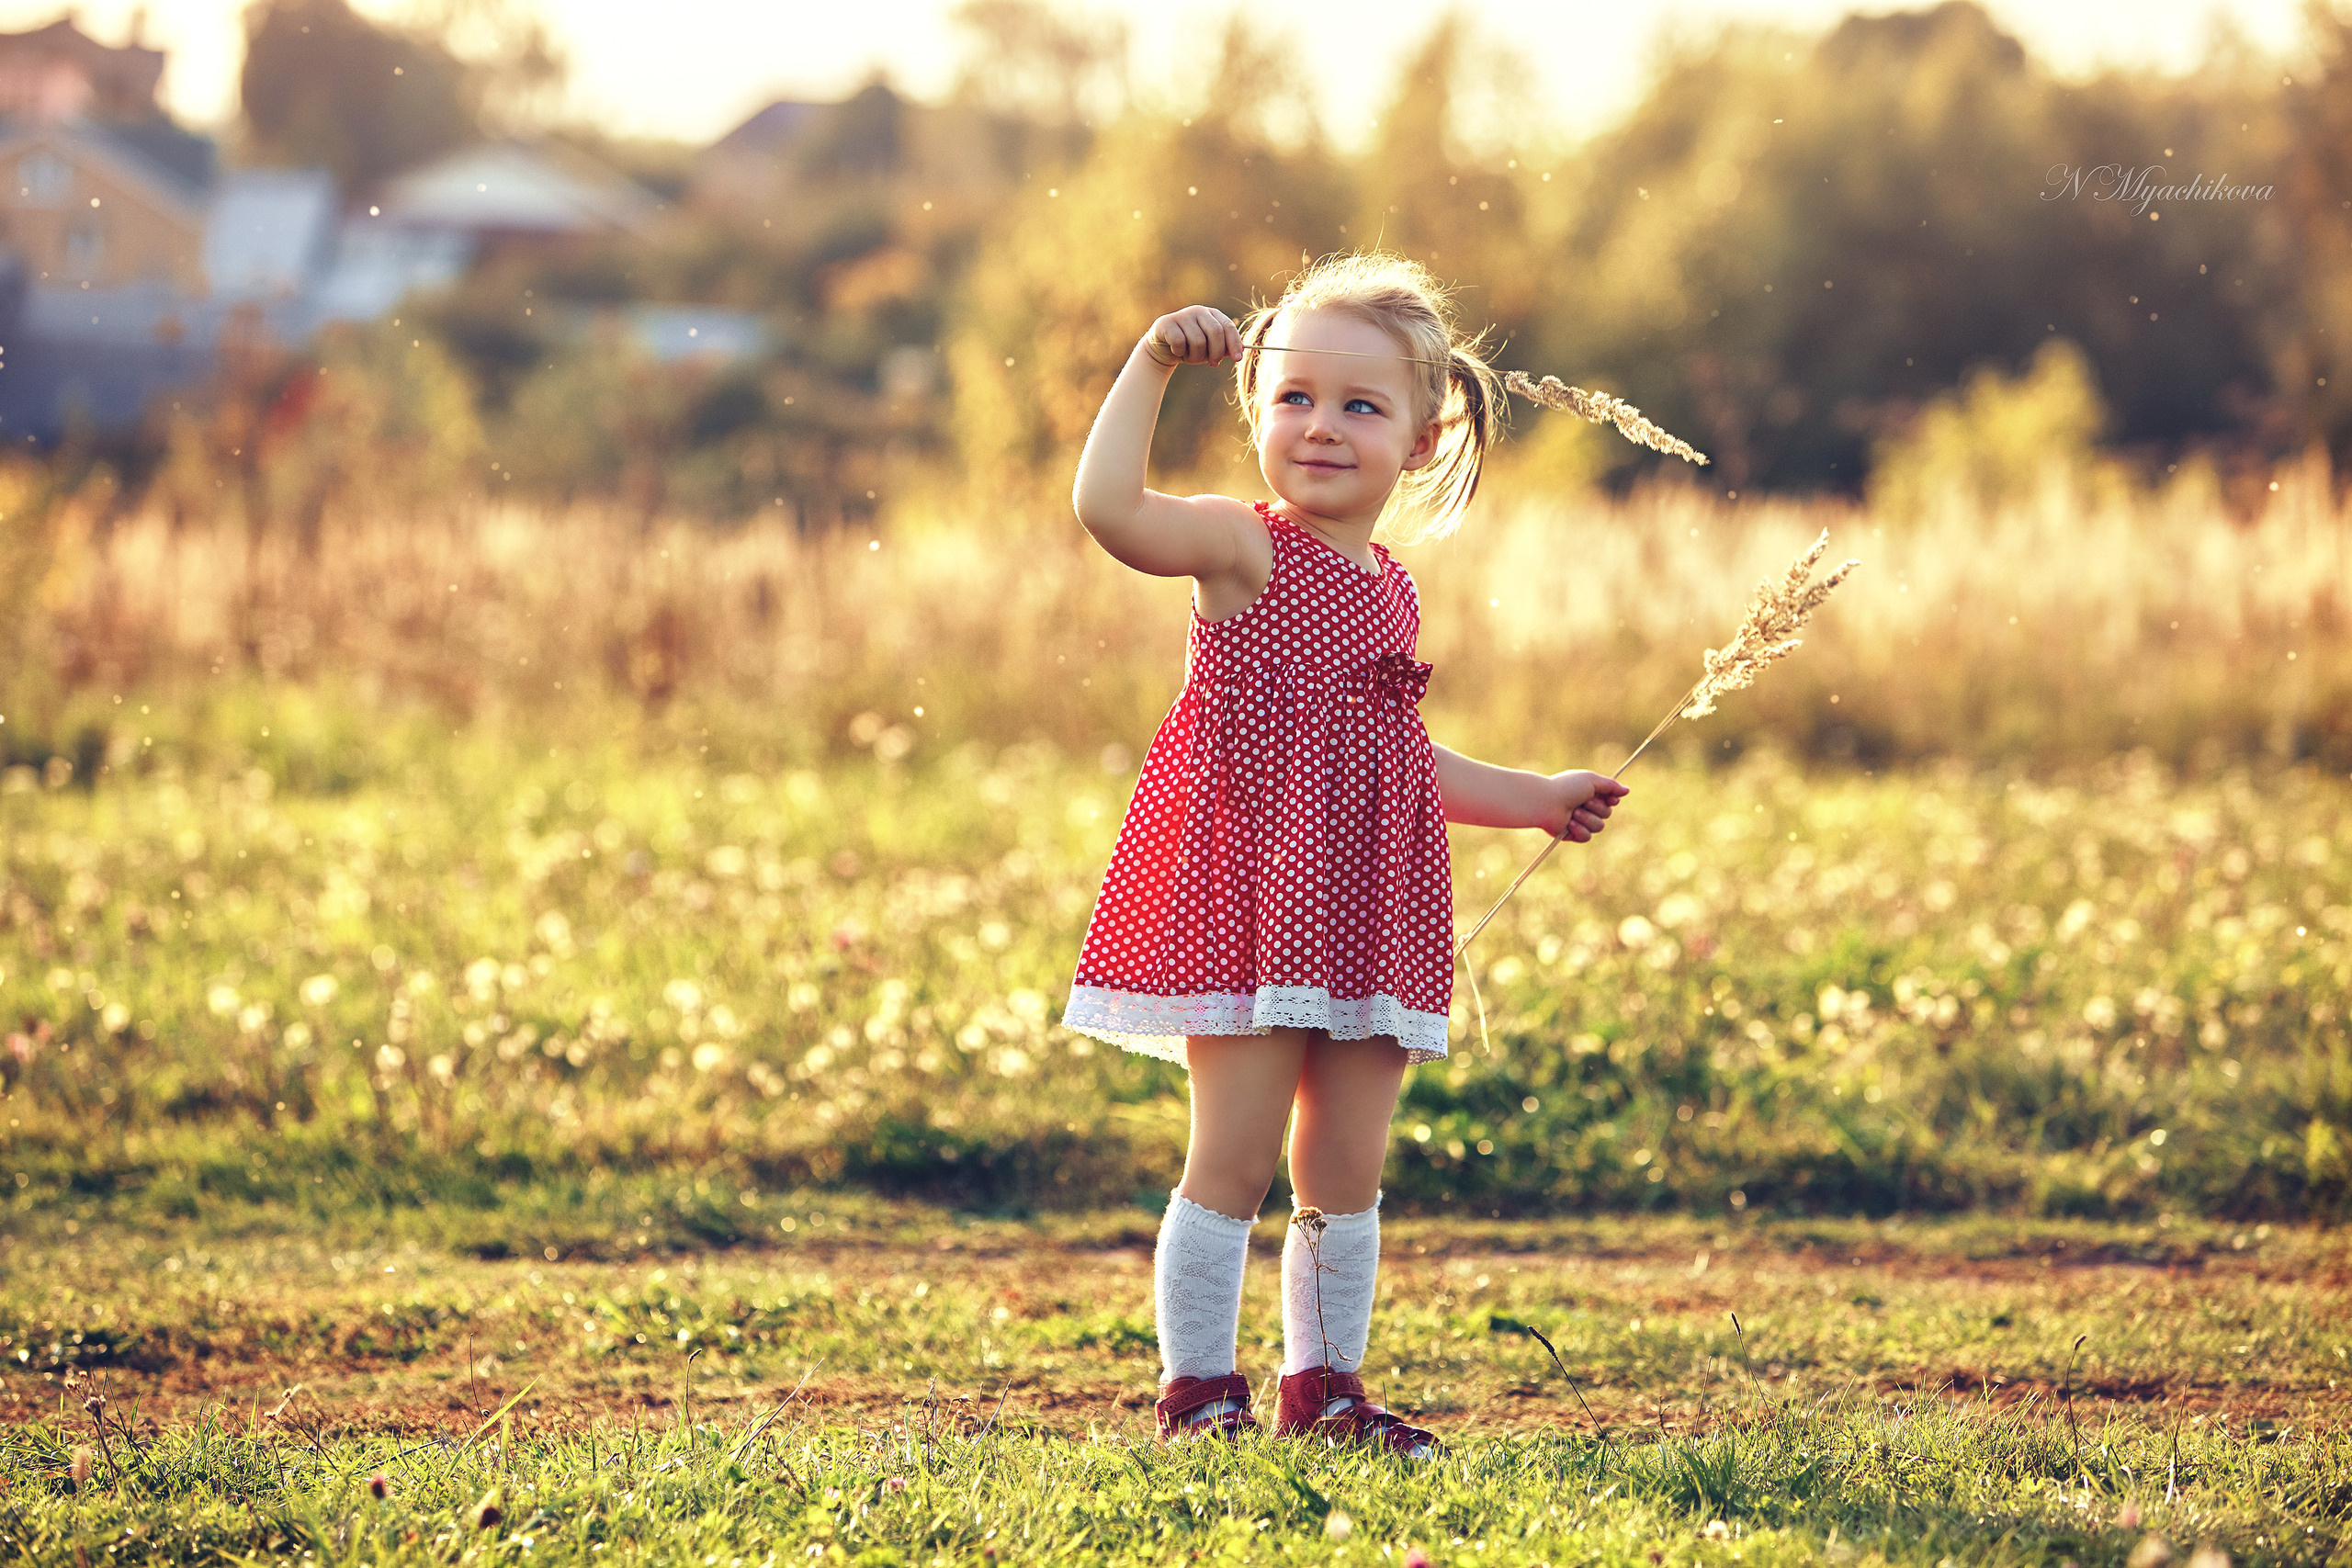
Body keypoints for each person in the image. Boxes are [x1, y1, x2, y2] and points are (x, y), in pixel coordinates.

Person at [1064, 252, 1629, 1457]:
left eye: (1361, 406)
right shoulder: (1242, 549)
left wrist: (1534, 798)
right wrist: (1152, 362)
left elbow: (1395, 761)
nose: (1321, 427)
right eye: (1295, 398)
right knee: (1234, 1155)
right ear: (1258, 410)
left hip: (1372, 908)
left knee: (1344, 1171)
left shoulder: (1394, 592)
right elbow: (1110, 511)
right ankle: (1197, 1398)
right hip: (1259, 902)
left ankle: (1323, 1391)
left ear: (1423, 438)